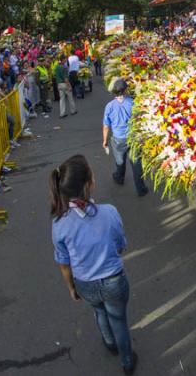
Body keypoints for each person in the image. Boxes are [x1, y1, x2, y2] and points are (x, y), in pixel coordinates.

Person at [50, 155, 137, 375]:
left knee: (99, 311)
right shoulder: (109, 212)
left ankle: (109, 343)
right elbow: (120, 245)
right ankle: (127, 361)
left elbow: (64, 263)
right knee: (119, 320)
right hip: (113, 280)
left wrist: (71, 287)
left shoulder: (59, 223)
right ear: (88, 183)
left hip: (84, 282)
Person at [102, 79, 147, 197]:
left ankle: (119, 178)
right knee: (136, 164)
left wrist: (105, 141)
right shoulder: (132, 103)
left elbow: (106, 126)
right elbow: (140, 121)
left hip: (118, 139)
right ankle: (141, 189)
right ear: (126, 90)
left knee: (120, 161)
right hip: (133, 138)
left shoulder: (109, 106)